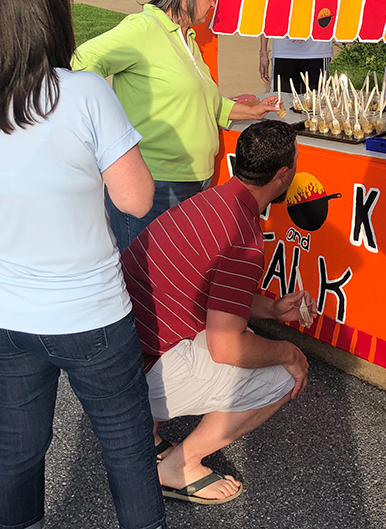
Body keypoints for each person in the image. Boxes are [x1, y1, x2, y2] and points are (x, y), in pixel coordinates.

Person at [0, 0, 166, 529]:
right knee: (127, 451)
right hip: (85, 310)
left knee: (17, 446)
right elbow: (136, 200)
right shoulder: (85, 93)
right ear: (50, 18)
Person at [123, 119, 315, 505]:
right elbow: (225, 347)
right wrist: (291, 353)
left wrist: (272, 308)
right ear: (283, 174)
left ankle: (147, 433)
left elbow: (213, 295)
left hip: (119, 351)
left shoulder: (211, 201)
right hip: (137, 375)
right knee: (279, 375)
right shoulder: (243, 238)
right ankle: (179, 466)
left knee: (203, 331)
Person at [74, 0, 276, 253]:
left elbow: (203, 99)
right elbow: (82, 62)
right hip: (156, 184)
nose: (212, 5)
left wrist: (248, 111)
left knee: (178, 281)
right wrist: (108, 122)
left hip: (194, 181)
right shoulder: (143, 28)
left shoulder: (188, 38)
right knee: (145, 283)